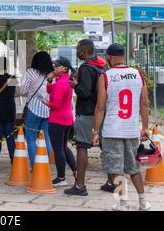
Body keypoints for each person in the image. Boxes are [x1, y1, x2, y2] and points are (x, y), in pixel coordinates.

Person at [92, 44, 151, 211]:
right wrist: (145, 127)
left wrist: (96, 131)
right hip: (131, 130)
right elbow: (144, 103)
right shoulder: (138, 74)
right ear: (123, 56)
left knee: (116, 169)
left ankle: (123, 204)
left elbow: (100, 106)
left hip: (111, 130)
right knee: (134, 168)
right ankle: (143, 202)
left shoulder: (106, 76)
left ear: (109, 57)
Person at [64, 39, 108, 196]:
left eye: (77, 48)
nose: (77, 51)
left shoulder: (85, 67)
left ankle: (80, 185)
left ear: (83, 50)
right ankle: (111, 182)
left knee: (82, 146)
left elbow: (84, 92)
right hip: (102, 113)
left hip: (87, 113)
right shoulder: (103, 66)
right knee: (105, 147)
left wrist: (75, 85)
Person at [43, 56, 77, 187]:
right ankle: (75, 171)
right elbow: (49, 90)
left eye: (57, 66)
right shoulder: (65, 80)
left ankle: (61, 177)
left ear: (64, 68)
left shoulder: (61, 84)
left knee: (58, 150)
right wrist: (49, 80)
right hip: (67, 119)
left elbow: (55, 104)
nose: (54, 68)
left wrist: (46, 102)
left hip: (57, 119)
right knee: (63, 147)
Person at [17, 51, 54, 168]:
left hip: (33, 108)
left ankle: (35, 165)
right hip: (49, 109)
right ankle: (44, 165)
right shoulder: (52, 74)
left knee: (31, 137)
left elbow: (22, 90)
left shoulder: (30, 72)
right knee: (46, 137)